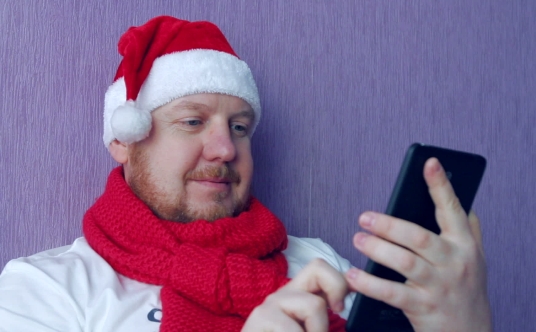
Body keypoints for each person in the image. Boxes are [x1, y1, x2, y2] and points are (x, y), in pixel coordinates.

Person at [0, 16, 492, 332]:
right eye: (193, 122)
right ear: (124, 140)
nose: (225, 148)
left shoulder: (318, 265)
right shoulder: (47, 290)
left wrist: (462, 326)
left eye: (240, 127)